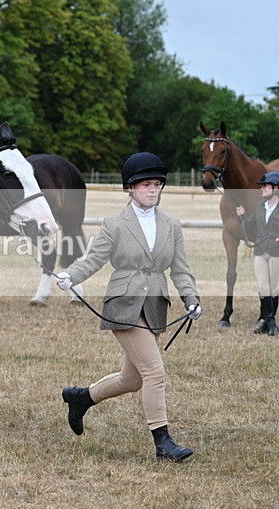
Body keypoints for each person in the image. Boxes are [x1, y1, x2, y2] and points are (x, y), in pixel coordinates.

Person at [54, 152, 202, 462]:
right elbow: (93, 259)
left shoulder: (171, 225)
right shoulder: (115, 223)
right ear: (130, 188)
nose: (152, 190)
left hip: (154, 306)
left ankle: (82, 398)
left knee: (132, 380)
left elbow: (180, 269)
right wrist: (71, 275)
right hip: (123, 304)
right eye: (146, 184)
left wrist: (191, 298)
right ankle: (163, 442)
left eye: (157, 184)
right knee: (154, 372)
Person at [235, 170, 279, 336]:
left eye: (265, 186)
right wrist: (242, 217)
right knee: (263, 286)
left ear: (275, 188)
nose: (262, 189)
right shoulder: (260, 206)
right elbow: (249, 226)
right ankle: (270, 321)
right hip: (260, 250)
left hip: (276, 252)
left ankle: (267, 321)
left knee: (275, 288)